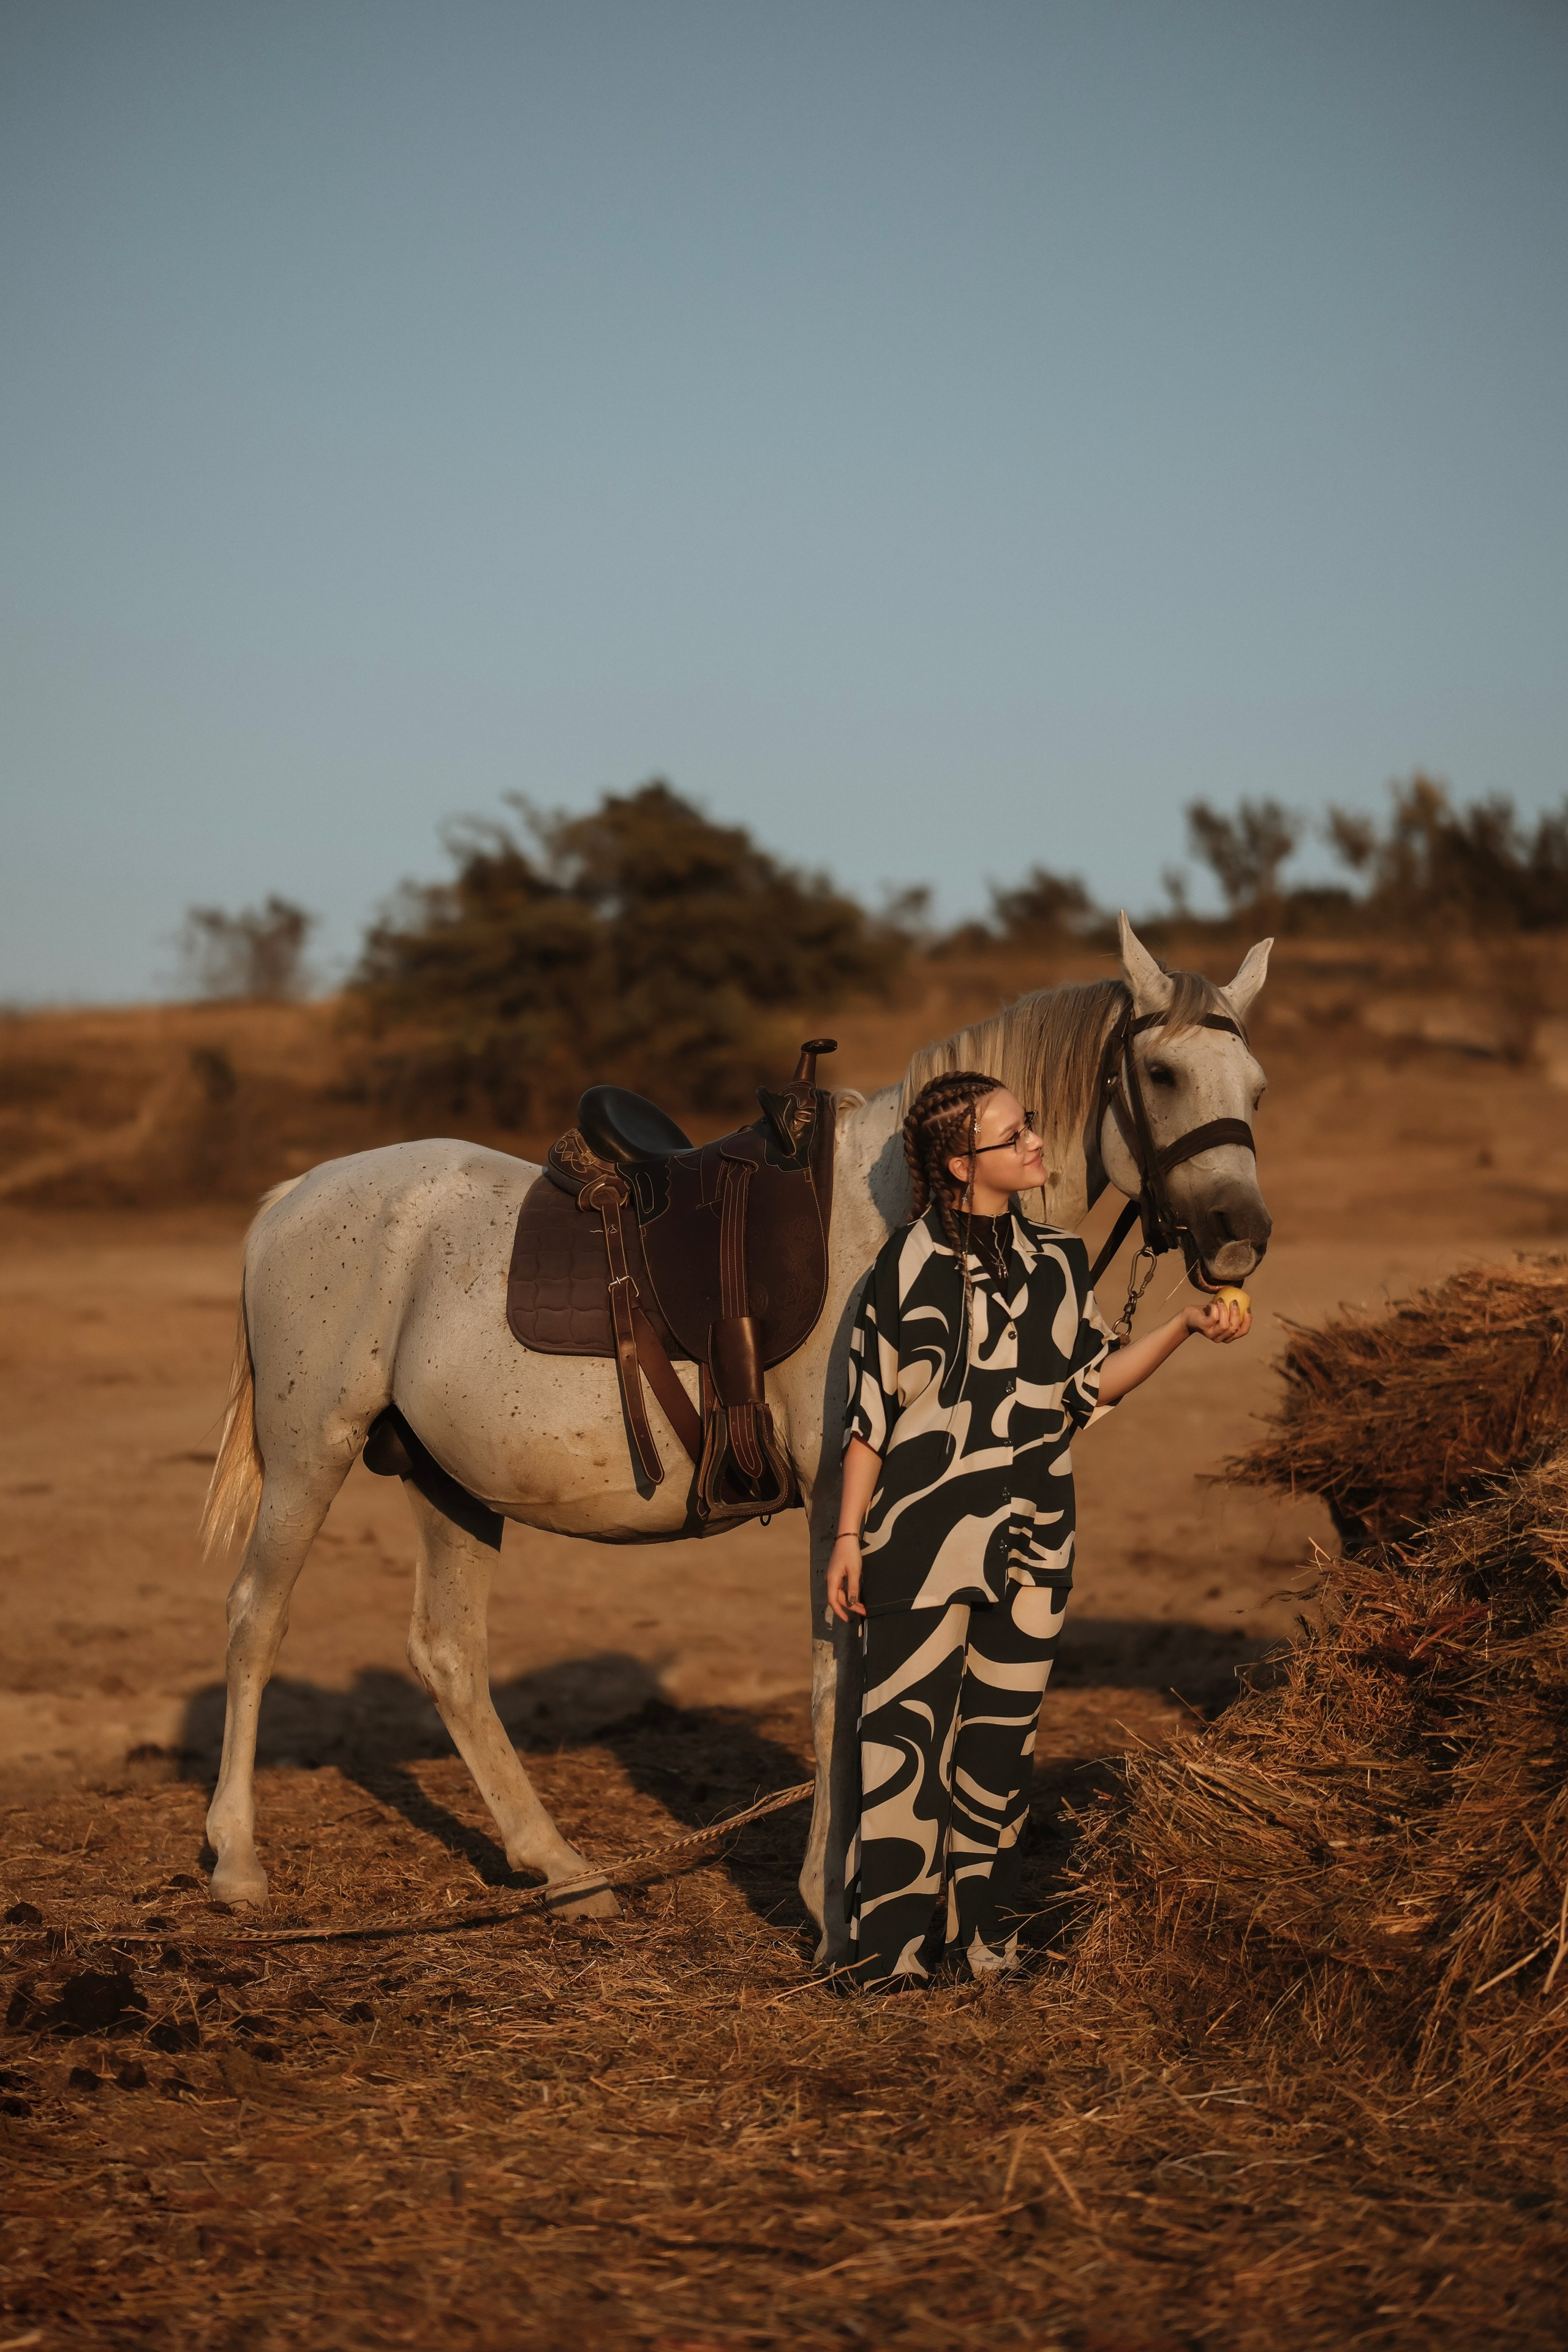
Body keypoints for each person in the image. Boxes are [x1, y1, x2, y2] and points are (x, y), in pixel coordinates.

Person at [827, 1067, 1251, 1990]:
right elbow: (868, 1421)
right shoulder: (899, 1271)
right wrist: (847, 1540)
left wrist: (1182, 1327)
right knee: (902, 1747)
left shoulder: (1060, 1261)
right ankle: (890, 1959)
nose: (1036, 1145)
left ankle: (983, 1947)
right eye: (1015, 1135)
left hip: (1034, 1545)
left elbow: (1089, 1385)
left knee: (999, 1752)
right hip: (918, 1546)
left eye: (1032, 1127)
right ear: (957, 1163)